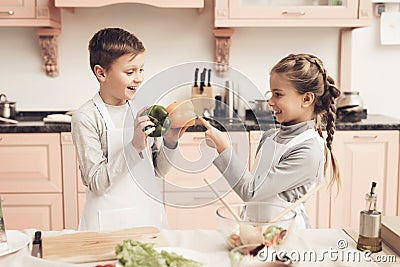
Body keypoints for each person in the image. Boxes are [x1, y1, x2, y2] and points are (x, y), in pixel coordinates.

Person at [199, 53, 341, 228]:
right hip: (256, 232)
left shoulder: (308, 150)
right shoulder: (270, 136)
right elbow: (257, 189)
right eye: (271, 93)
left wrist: (224, 148)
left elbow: (251, 191)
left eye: (278, 94)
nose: (270, 101)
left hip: (287, 237)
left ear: (306, 99)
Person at [71, 28, 186, 231]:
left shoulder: (144, 111)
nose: (139, 78)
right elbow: (96, 182)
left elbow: (159, 170)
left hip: (149, 219)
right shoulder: (87, 117)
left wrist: (170, 141)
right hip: (107, 226)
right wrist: (134, 146)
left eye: (141, 69)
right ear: (101, 73)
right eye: (130, 72)